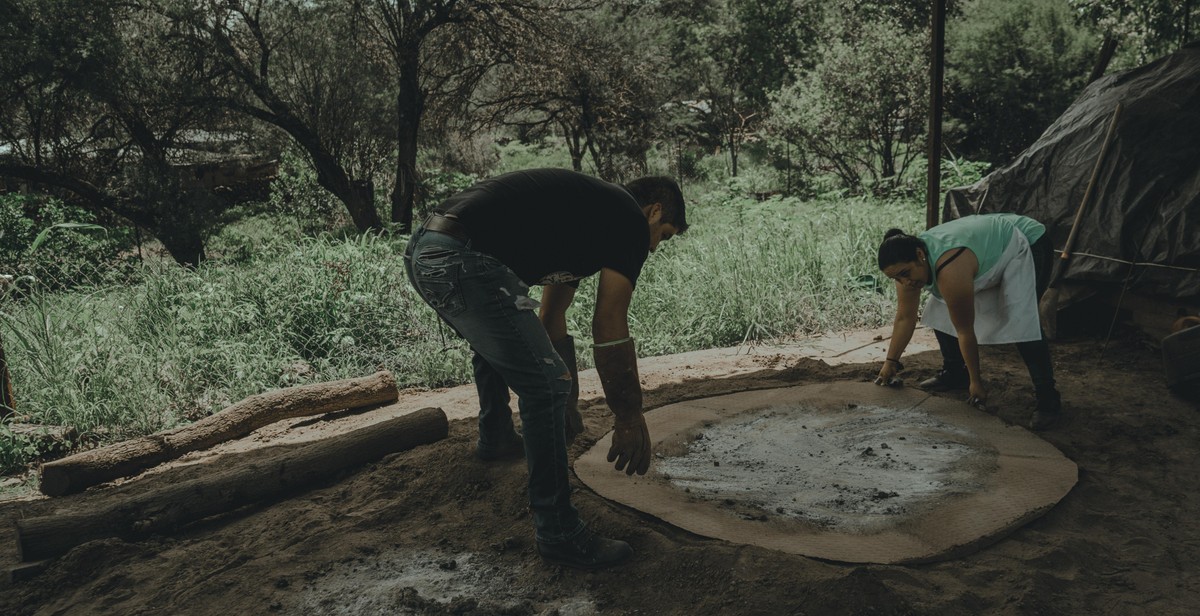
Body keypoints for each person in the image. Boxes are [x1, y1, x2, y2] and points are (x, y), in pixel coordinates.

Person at [403, 167, 687, 570]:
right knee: (546, 387)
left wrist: (569, 406)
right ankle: (559, 532)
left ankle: (497, 436)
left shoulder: (587, 219)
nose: (656, 247)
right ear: (654, 211)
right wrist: (628, 415)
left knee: (505, 344)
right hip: (458, 257)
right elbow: (609, 323)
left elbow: (552, 316)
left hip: (425, 250)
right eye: (665, 235)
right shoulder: (626, 217)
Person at [873, 212, 1062, 430]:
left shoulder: (949, 267)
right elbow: (905, 317)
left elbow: (965, 330)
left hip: (1026, 240)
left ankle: (1048, 398)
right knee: (940, 309)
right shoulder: (905, 267)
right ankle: (955, 372)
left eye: (905, 274)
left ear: (919, 255)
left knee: (1022, 320)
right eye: (896, 278)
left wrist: (977, 383)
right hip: (983, 247)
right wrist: (890, 361)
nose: (904, 282)